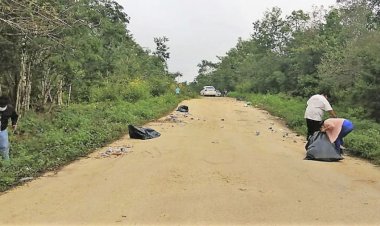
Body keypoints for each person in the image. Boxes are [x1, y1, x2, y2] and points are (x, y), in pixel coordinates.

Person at [0, 95, 19, 160]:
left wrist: (14, 124)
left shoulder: (10, 109)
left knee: (4, 146)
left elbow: (14, 116)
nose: (1, 107)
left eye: (3, 106)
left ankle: (6, 163)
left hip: (3, 130)